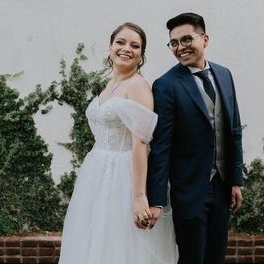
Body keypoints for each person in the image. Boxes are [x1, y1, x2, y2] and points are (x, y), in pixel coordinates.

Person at [58, 22, 178, 264]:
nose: (127, 48)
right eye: (120, 42)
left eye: (135, 46)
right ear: (110, 47)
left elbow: (141, 144)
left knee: (123, 245)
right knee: (95, 242)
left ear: (141, 56)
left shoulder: (138, 86)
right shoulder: (110, 85)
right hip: (97, 172)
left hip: (124, 175)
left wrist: (139, 196)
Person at [147, 12, 244, 264]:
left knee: (216, 258)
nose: (180, 47)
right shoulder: (166, 85)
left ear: (205, 39)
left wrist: (235, 181)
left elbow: (233, 130)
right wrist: (156, 199)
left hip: (222, 188)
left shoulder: (224, 75)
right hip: (189, 190)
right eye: (174, 43)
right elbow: (161, 146)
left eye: (186, 39)